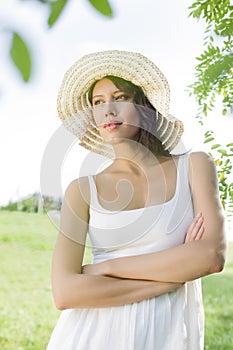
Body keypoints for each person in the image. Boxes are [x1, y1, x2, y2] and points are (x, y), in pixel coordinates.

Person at [46, 50, 226, 350]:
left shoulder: (194, 166)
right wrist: (172, 278)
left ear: (144, 106)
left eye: (120, 97)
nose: (108, 110)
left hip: (168, 334)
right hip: (91, 335)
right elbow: (65, 292)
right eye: (98, 102)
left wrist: (106, 267)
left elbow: (211, 257)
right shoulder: (83, 190)